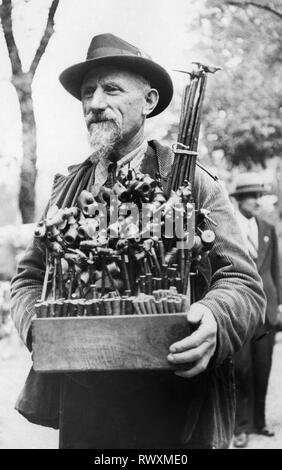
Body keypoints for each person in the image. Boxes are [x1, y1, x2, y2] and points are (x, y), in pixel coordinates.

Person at [10, 33, 266, 449]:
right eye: (88, 92)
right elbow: (27, 281)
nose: (95, 103)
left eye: (111, 89)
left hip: (173, 408)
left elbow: (243, 283)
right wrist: (37, 328)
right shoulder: (64, 191)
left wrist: (216, 319)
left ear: (147, 102)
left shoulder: (192, 182)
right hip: (84, 408)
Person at [230, 173, 282, 448]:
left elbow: (275, 268)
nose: (258, 201)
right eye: (253, 196)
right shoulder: (229, 229)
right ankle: (241, 426)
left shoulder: (267, 227)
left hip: (267, 312)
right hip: (240, 311)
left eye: (260, 196)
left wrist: (280, 305)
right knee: (241, 368)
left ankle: (259, 422)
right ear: (239, 199)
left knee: (263, 368)